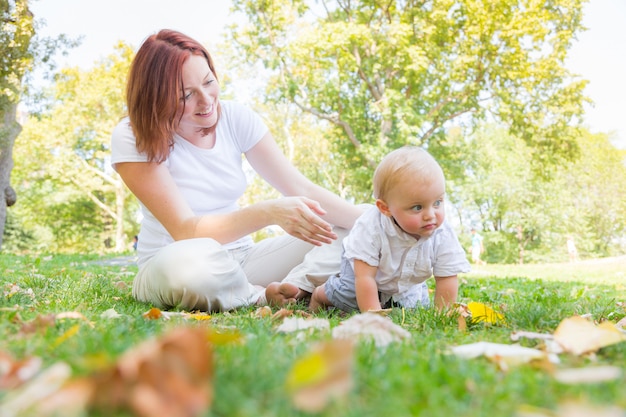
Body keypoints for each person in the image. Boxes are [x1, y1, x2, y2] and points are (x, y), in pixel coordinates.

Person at [110, 29, 363, 312]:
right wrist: (268, 213)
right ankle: (257, 296)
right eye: (186, 96)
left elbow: (300, 187)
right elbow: (185, 230)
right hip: (177, 262)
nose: (206, 101)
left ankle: (293, 287)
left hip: (244, 259)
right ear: (157, 99)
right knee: (187, 266)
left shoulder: (235, 117)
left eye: (209, 82)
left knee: (356, 229)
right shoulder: (132, 135)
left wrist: (380, 222)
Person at [309, 147, 470, 313]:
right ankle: (320, 294)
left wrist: (442, 315)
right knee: (350, 297)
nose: (430, 215)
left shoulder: (442, 233)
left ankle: (404, 295)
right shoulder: (370, 228)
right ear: (385, 208)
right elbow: (365, 277)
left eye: (437, 203)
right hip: (364, 271)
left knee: (412, 308)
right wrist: (375, 316)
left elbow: (447, 276)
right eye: (417, 207)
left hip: (406, 276)